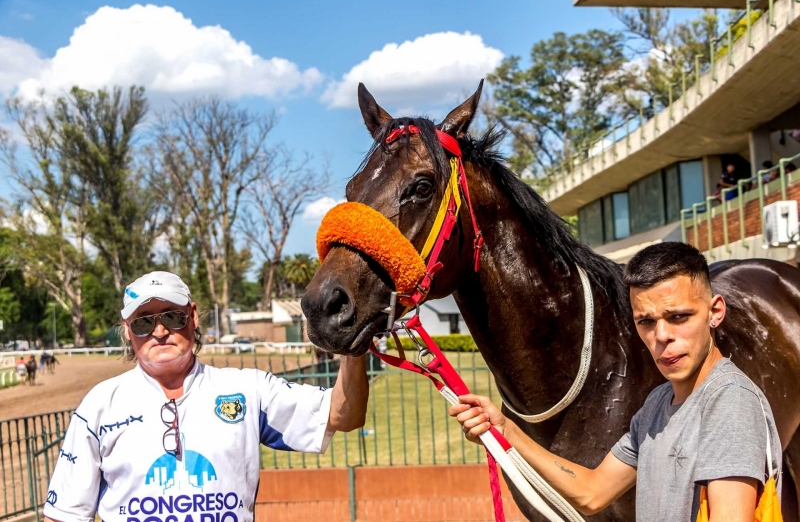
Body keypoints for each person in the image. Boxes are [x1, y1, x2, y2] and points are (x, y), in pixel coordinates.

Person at [450, 242, 782, 521]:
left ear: (715, 312)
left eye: (679, 317)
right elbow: (592, 492)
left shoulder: (729, 402)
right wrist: (506, 430)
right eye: (646, 322)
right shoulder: (657, 404)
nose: (661, 336)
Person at [43, 271, 369, 522]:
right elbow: (64, 515)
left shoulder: (247, 390)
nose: (159, 331)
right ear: (128, 331)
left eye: (172, 316)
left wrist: (354, 343)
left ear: (193, 316)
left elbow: (344, 414)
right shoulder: (101, 404)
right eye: (143, 323)